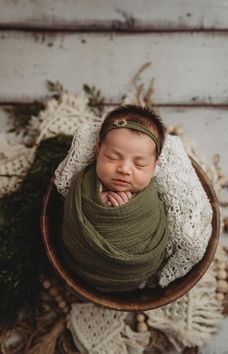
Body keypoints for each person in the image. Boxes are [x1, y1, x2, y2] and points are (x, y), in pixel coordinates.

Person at [61, 105, 169, 292]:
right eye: (112, 157)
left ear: (154, 166)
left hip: (135, 268)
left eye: (139, 163)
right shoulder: (84, 183)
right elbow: (71, 216)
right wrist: (97, 204)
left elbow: (155, 224)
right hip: (83, 263)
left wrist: (127, 213)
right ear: (98, 153)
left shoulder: (152, 194)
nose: (125, 169)